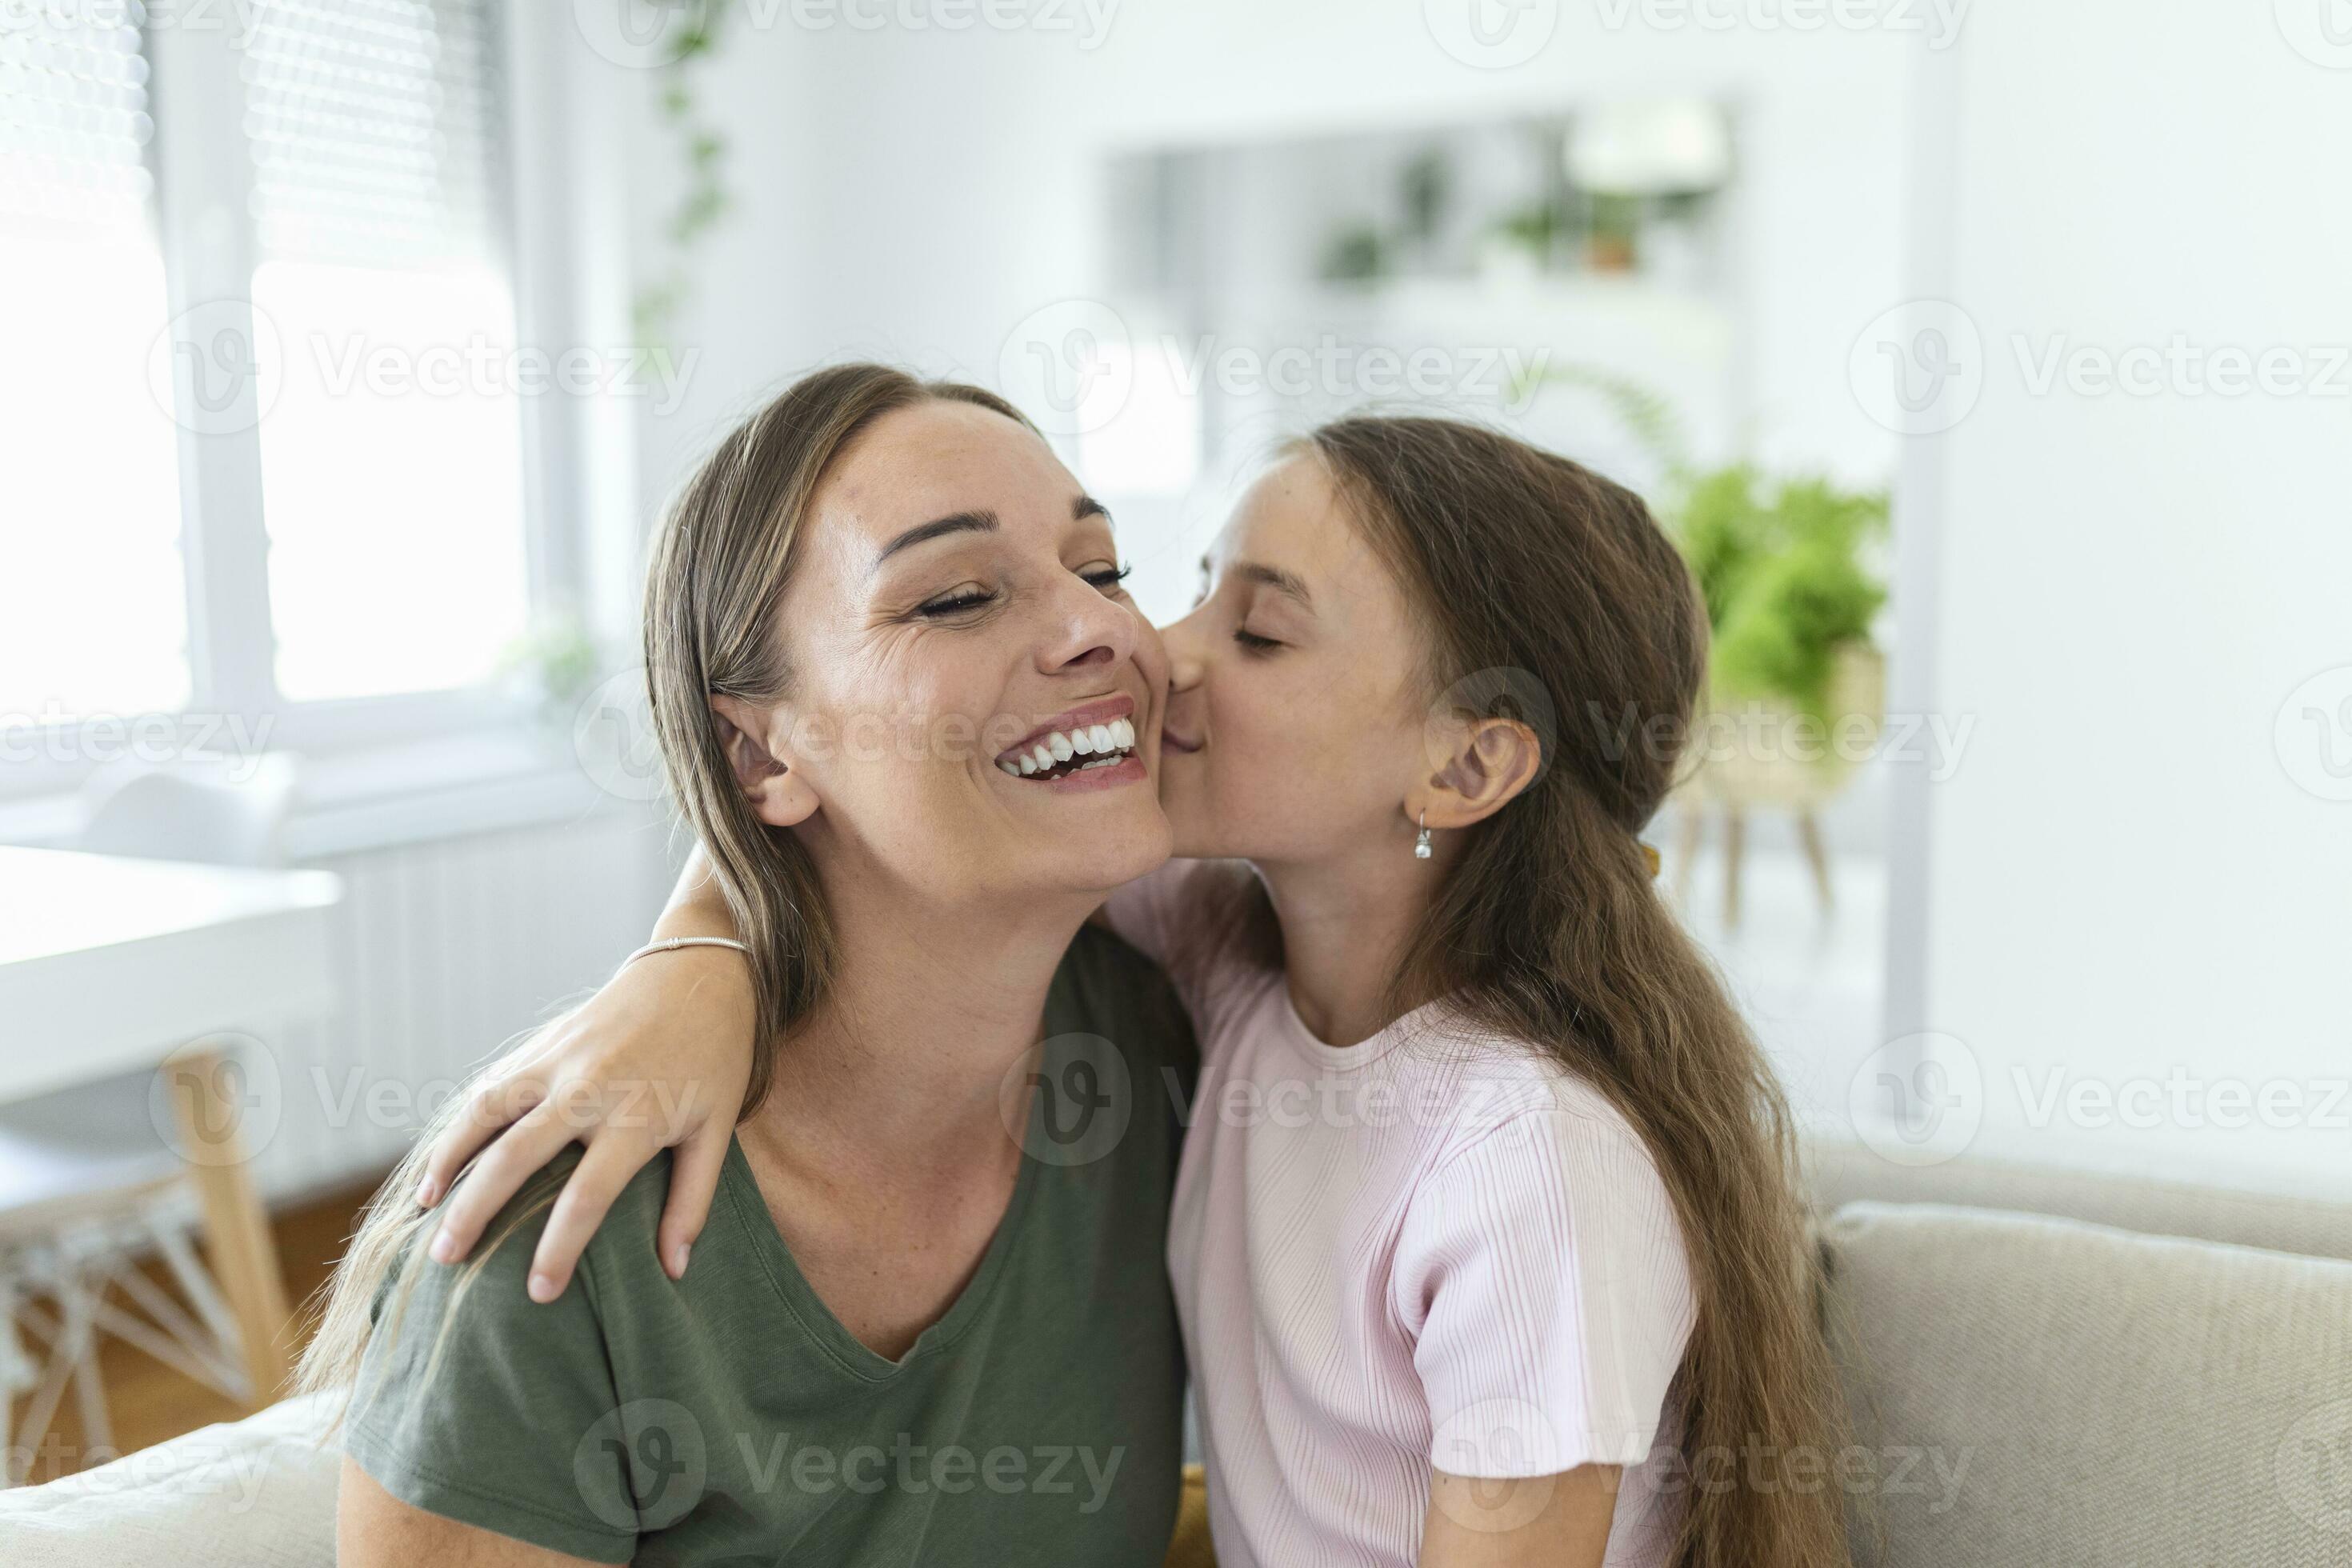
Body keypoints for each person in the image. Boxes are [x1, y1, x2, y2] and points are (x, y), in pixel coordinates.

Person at [421, 407, 1856, 1567]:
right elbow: (871, 833)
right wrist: (690, 963)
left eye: (1261, 631)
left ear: (1469, 766)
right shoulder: (1236, 970)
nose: (1151, 647)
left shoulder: (1525, 1162)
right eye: (1178, 589)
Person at [302, 365, 1198, 1566]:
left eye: (1101, 569)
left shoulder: (1181, 1047)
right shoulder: (554, 1240)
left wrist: (698, 942)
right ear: (759, 752)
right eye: (959, 597)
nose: (1103, 626)